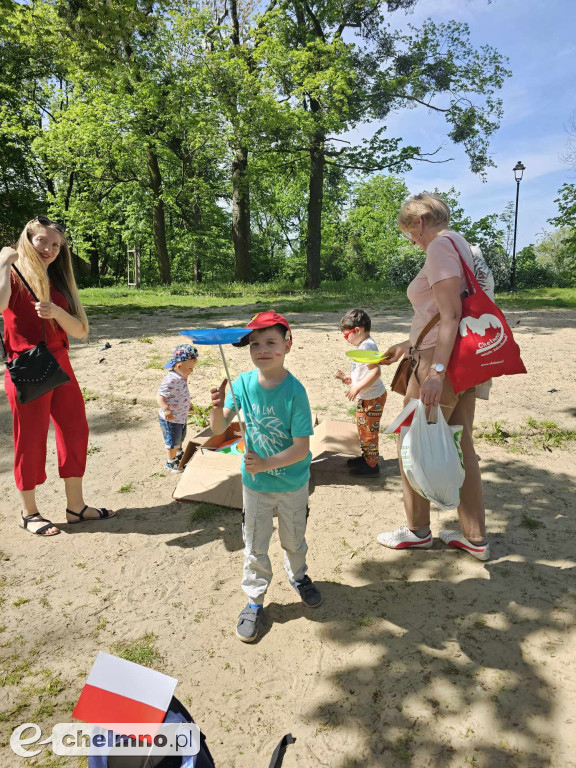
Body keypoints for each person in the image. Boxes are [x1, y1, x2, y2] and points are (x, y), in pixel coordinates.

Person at [377, 193, 490, 561]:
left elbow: (451, 314)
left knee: (412, 439)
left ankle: (417, 530)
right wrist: (405, 344)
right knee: (462, 444)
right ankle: (474, 537)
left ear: (421, 221)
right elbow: (447, 312)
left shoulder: (440, 247)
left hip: (439, 361)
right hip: (465, 356)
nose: (412, 240)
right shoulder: (463, 245)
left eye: (410, 232)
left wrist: (436, 372)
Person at [209, 310, 321, 643]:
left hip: (293, 484)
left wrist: (266, 463)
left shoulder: (295, 392)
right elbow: (218, 429)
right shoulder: (242, 384)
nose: (262, 350)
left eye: (271, 342)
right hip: (256, 487)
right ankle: (254, 601)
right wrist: (216, 407)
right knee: (255, 545)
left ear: (288, 344)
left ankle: (298, 576)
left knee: (294, 539)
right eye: (254, 344)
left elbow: (301, 448)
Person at [0, 217, 115, 536]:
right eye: (42, 241)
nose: (49, 249)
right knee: (30, 438)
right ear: (27, 238)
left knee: (75, 430)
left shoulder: (59, 280)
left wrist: (57, 311)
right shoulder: (12, 273)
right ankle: (29, 513)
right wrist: (2, 262)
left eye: (56, 245)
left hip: (61, 364)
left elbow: (79, 331)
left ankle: (76, 508)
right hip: (27, 366)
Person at [335, 309, 387, 476]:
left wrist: (357, 388)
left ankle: (371, 466)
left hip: (372, 398)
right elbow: (364, 371)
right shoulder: (363, 345)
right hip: (366, 396)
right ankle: (366, 458)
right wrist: (351, 379)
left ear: (357, 330)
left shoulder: (367, 346)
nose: (346, 339)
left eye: (346, 335)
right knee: (363, 430)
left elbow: (375, 372)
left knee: (369, 432)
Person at [157, 344, 198, 472]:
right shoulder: (171, 380)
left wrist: (187, 404)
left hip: (180, 416)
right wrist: (166, 409)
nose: (192, 371)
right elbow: (160, 396)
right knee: (172, 441)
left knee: (180, 437)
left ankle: (178, 453)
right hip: (171, 418)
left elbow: (181, 394)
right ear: (179, 366)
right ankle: (170, 462)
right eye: (190, 368)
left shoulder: (181, 377)